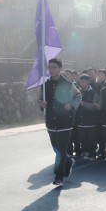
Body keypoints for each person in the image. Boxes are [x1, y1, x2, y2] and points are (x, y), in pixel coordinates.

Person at [38, 58, 81, 186]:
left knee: (61, 150)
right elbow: (41, 99)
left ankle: (58, 177)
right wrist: (42, 104)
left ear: (60, 68)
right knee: (56, 149)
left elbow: (78, 96)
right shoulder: (45, 85)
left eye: (54, 67)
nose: (51, 69)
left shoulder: (68, 84)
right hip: (51, 121)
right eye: (49, 67)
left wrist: (71, 104)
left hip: (65, 121)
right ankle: (69, 161)